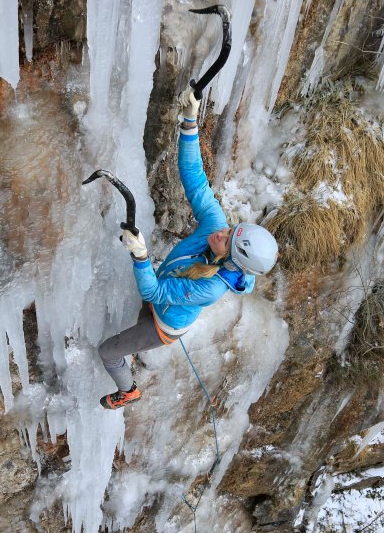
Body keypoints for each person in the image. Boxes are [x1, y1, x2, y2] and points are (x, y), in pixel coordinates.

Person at [98, 87, 278, 410]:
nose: (221, 231)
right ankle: (134, 353)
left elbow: (155, 292)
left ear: (231, 263)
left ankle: (128, 391)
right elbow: (194, 178)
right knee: (140, 314)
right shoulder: (216, 226)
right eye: (230, 228)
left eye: (228, 239)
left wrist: (140, 257)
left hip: (163, 326)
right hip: (160, 302)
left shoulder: (209, 288)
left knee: (107, 352)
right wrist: (189, 121)